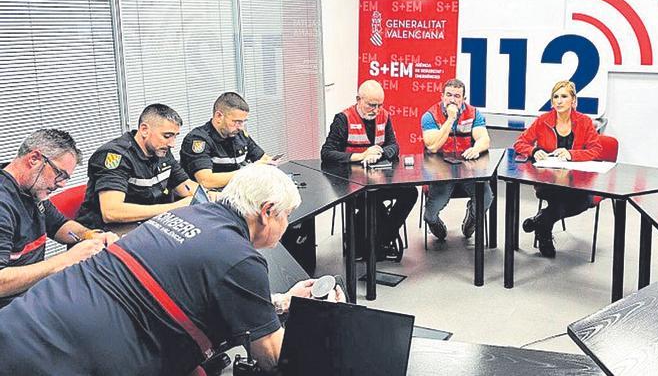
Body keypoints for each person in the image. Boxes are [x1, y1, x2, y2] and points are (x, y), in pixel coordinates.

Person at [0, 164, 345, 375]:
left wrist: (283, 301)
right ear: (268, 211)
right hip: (60, 359)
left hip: (24, 323)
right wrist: (317, 317)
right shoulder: (241, 257)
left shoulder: (185, 215)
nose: (287, 224)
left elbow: (197, 288)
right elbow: (271, 357)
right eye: (286, 215)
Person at [0, 129, 117, 308]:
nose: (62, 184)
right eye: (60, 174)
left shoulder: (31, 190)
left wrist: (91, 236)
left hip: (32, 293)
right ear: (34, 159)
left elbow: (60, 226)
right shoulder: (4, 204)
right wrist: (66, 259)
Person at [320, 80, 415, 261]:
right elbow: (327, 153)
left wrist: (379, 152)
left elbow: (394, 146)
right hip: (352, 184)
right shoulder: (343, 119)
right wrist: (361, 156)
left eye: (380, 105)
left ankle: (382, 240)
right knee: (372, 204)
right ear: (358, 99)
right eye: (372, 105)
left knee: (410, 193)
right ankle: (368, 244)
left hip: (379, 179)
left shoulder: (385, 116)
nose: (376, 109)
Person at [512, 81, 602, 258]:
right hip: (548, 180)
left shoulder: (584, 122)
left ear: (573, 100)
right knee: (558, 197)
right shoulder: (542, 121)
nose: (559, 101)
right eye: (555, 97)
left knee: (583, 202)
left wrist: (571, 154)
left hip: (577, 182)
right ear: (552, 101)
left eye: (564, 96)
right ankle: (544, 226)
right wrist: (534, 150)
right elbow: (520, 143)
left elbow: (596, 150)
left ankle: (542, 222)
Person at [77, 104, 196, 230]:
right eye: (167, 136)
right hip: (104, 233)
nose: (172, 144)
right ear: (144, 130)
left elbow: (185, 186)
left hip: (144, 226)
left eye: (175, 136)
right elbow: (111, 212)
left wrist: (211, 197)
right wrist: (173, 208)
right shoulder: (116, 156)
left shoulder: (161, 150)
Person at [421, 78, 493, 241]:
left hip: (468, 171)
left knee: (487, 197)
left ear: (463, 99)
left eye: (457, 96)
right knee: (430, 213)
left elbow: (484, 139)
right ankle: (433, 222)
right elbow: (432, 146)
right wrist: (450, 120)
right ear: (442, 96)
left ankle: (472, 217)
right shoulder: (430, 116)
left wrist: (476, 148)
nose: (452, 99)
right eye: (449, 95)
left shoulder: (474, 113)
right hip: (441, 173)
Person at [180, 92, 277, 189]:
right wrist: (250, 171)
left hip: (238, 191)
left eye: (244, 122)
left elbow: (263, 158)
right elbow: (206, 181)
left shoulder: (240, 134)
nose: (241, 127)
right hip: (212, 198)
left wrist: (268, 163)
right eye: (237, 122)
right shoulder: (198, 140)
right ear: (219, 116)